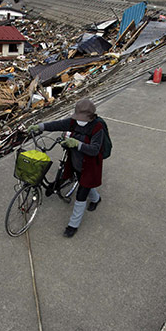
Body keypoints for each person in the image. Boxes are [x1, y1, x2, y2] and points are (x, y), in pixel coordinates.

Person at [27, 98, 104, 238]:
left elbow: (95, 149)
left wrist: (77, 144)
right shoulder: (74, 122)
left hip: (89, 166)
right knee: (85, 184)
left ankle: (72, 225)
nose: (80, 121)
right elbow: (58, 124)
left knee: (81, 196)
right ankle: (96, 199)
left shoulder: (98, 127)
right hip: (75, 162)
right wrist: (40, 126)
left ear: (91, 117)